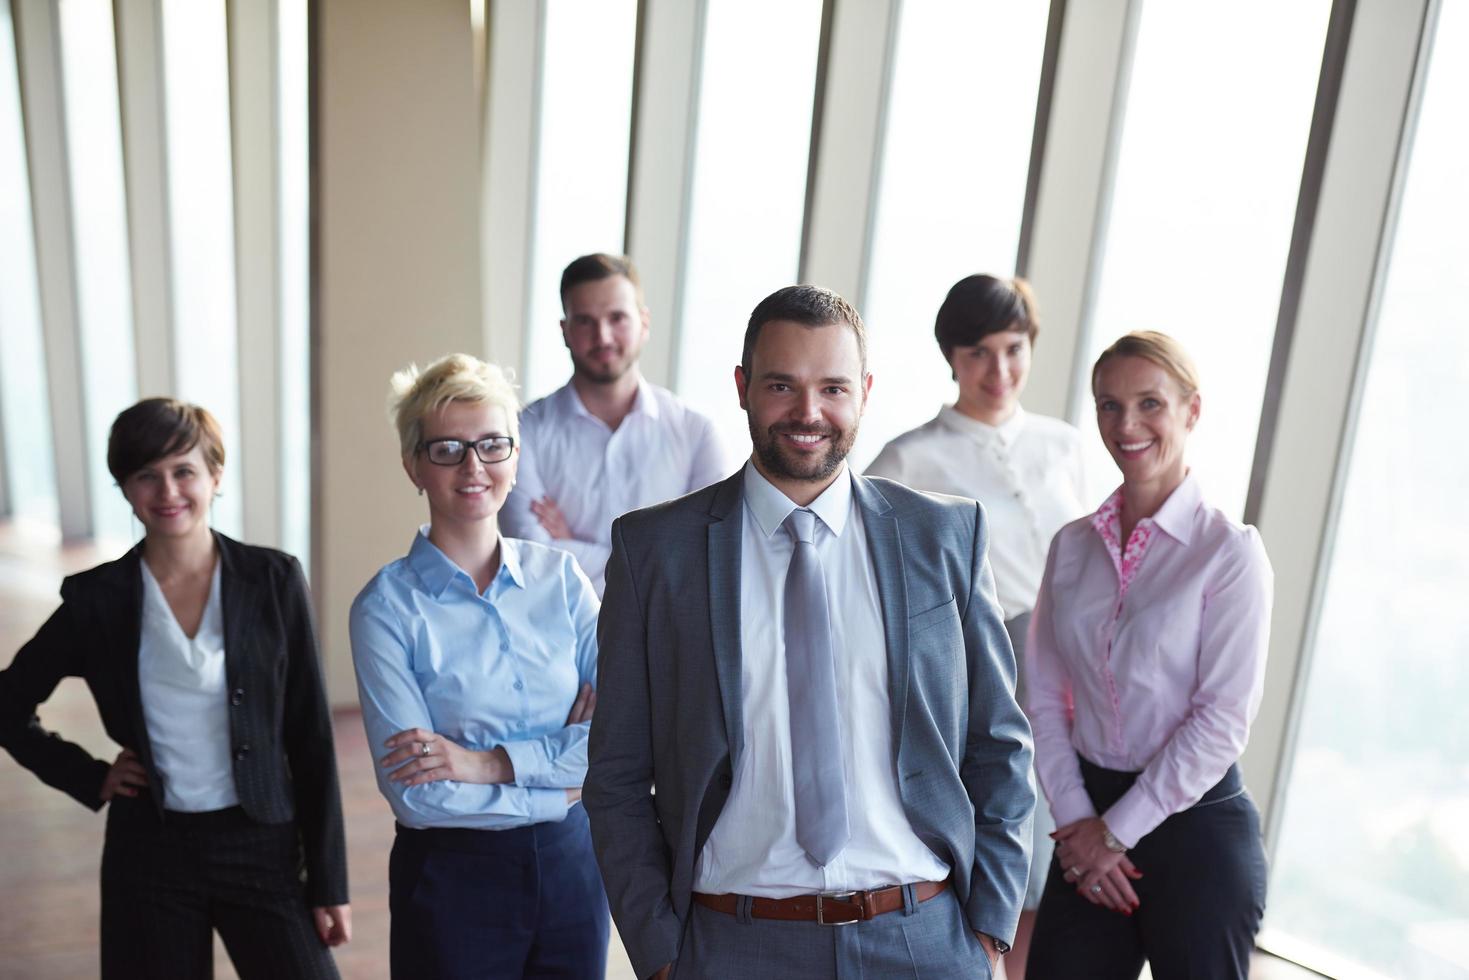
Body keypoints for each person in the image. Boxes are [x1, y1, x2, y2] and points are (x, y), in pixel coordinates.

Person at [585, 285, 1034, 980]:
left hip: (923, 940)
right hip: (733, 944)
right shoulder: (656, 552)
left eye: (832, 387)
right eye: (780, 386)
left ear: (865, 391)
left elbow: (998, 741)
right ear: (741, 387)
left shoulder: (942, 536)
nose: (808, 412)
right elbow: (616, 777)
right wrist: (661, 954)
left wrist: (989, 932)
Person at [0, 397, 349, 979]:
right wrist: (91, 775)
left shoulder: (273, 579)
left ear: (214, 475)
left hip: (262, 844)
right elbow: (7, 706)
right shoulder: (98, 599)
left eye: (183, 471)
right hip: (151, 853)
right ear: (126, 488)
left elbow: (311, 737)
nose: (167, 492)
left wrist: (329, 882)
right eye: (146, 476)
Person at [350, 353, 607, 979]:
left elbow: (622, 741)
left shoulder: (563, 581)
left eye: (493, 445)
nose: (474, 467)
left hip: (573, 870)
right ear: (414, 464)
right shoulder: (384, 609)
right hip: (451, 879)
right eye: (448, 449)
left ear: (515, 457)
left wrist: (485, 764)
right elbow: (421, 794)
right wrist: (563, 780)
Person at [1024, 332, 1272, 979]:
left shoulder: (1229, 553)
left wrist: (1114, 833)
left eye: (1149, 404)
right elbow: (1045, 700)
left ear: (1192, 412)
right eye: (1108, 406)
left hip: (1196, 832)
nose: (1125, 425)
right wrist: (1081, 826)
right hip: (1085, 821)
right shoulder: (1070, 547)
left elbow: (1221, 720)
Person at [866, 272, 1086, 975]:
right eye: (978, 352)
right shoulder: (909, 458)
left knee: (1063, 863)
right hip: (978, 680)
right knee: (1004, 853)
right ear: (951, 356)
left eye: (1013, 348)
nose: (999, 370)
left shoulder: (1065, 445)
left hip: (1074, 678)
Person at [502, 252, 728, 594]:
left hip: (664, 643)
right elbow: (530, 556)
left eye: (617, 318)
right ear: (565, 331)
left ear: (644, 323)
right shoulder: (524, 431)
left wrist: (567, 545)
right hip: (559, 641)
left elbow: (709, 556)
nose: (603, 336)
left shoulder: (696, 433)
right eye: (585, 321)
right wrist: (655, 558)